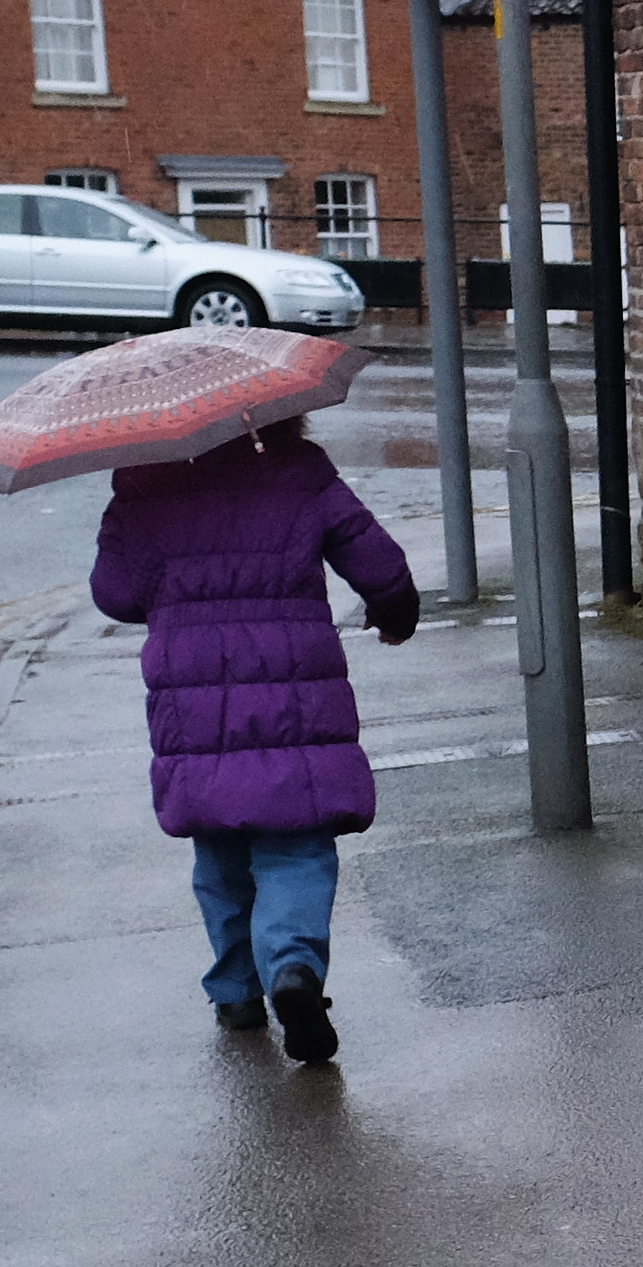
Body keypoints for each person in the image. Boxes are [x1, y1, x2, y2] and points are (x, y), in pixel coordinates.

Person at [89, 416, 417, 1066]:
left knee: (219, 854)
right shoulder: (300, 471)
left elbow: (115, 594)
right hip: (298, 691)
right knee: (296, 848)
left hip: (194, 702)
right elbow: (373, 558)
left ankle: (237, 993)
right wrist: (395, 613)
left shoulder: (143, 485)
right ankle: (292, 969)